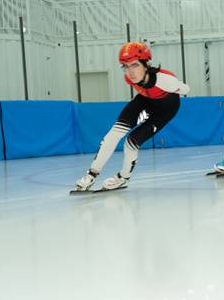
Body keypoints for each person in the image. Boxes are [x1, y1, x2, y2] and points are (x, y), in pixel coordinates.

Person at [76, 41, 190, 191]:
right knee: (113, 134)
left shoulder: (165, 80)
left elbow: (186, 89)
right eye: (126, 66)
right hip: (144, 102)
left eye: (135, 65)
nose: (130, 72)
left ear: (147, 64)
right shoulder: (129, 78)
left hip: (164, 111)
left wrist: (176, 88)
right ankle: (92, 173)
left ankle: (123, 177)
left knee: (130, 144)